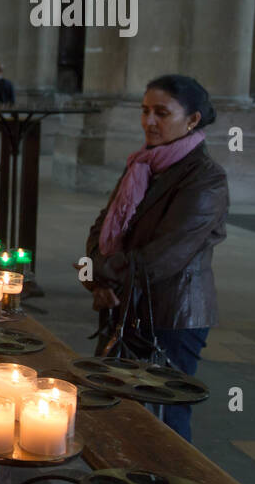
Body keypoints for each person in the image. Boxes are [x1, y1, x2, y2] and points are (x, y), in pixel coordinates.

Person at [84, 74, 228, 443]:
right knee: (121, 411)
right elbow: (101, 227)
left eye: (161, 113)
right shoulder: (142, 165)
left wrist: (102, 275)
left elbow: (165, 256)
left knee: (165, 420)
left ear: (193, 120)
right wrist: (99, 280)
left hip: (172, 314)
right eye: (145, 111)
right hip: (127, 302)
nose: (149, 121)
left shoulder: (206, 179)